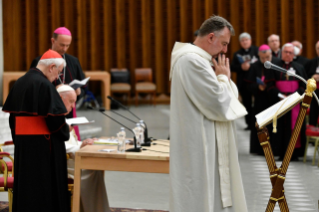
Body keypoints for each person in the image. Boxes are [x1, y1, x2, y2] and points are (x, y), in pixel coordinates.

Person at [169, 15, 248, 212]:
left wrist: (223, 80)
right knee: (199, 192)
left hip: (205, 135)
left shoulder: (201, 60)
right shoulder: (191, 60)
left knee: (209, 192)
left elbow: (224, 95)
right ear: (211, 37)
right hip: (199, 139)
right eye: (223, 43)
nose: (225, 50)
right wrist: (223, 78)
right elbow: (219, 103)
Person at [2, 50, 71, 212]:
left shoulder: (19, 82)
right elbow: (56, 121)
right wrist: (65, 133)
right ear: (51, 67)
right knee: (44, 189)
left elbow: (13, 119)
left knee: (26, 188)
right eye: (59, 73)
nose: (57, 77)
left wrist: (20, 140)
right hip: (44, 148)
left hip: (24, 147)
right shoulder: (45, 85)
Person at [56, 85, 111, 212]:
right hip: (64, 163)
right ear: (60, 98)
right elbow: (58, 146)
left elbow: (72, 141)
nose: (73, 106)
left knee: (95, 167)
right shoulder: (54, 120)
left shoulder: (63, 118)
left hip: (72, 158)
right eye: (71, 102)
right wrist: (80, 146)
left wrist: (85, 142)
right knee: (92, 170)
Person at [29, 27, 85, 140]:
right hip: (49, 112)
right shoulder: (40, 61)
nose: (64, 49)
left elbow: (83, 89)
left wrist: (79, 92)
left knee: (70, 141)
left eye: (67, 45)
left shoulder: (73, 61)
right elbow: (34, 88)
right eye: (62, 45)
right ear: (53, 41)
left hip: (68, 110)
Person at [266, 43, 307, 160]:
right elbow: (269, 85)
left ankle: (294, 153)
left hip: (295, 103)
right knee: (279, 127)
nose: (288, 54)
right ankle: (280, 151)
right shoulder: (274, 66)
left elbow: (304, 86)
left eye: (290, 53)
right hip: (279, 102)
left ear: (294, 55)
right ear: (281, 53)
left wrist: (294, 97)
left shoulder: (299, 67)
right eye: (286, 52)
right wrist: (280, 95)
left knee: (294, 127)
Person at [244, 45, 280, 155]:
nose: (265, 60)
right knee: (260, 125)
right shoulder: (254, 66)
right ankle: (258, 149)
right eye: (263, 58)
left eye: (267, 57)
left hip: (274, 100)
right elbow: (248, 85)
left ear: (271, 55)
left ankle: (274, 148)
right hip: (260, 101)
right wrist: (257, 87)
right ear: (259, 55)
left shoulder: (277, 64)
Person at [231, 32, 258, 130]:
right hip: (244, 83)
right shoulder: (237, 54)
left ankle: (258, 123)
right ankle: (249, 124)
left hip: (255, 82)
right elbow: (232, 67)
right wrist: (241, 67)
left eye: (246, 40)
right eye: (242, 40)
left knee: (257, 103)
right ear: (240, 42)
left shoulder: (256, 51)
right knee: (246, 104)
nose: (245, 42)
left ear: (250, 40)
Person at [305, 41, 319, 126]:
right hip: (314, 92)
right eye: (318, 48)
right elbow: (305, 75)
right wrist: (312, 77)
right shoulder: (312, 62)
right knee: (313, 112)